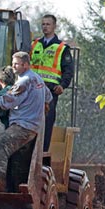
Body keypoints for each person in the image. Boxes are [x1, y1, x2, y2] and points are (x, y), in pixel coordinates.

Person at [0, 51, 52, 192]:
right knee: (17, 160)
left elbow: (6, 102)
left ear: (25, 65)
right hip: (33, 126)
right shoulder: (38, 79)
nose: (13, 66)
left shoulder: (23, 82)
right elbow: (48, 98)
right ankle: (16, 187)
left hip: (23, 125)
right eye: (13, 63)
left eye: (16, 64)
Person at [30, 14, 74, 152]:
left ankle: (42, 152)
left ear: (54, 26)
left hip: (50, 90)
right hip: (32, 89)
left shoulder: (62, 48)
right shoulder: (34, 44)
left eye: (48, 24)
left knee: (47, 121)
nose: (45, 27)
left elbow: (68, 70)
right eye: (43, 24)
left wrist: (63, 85)